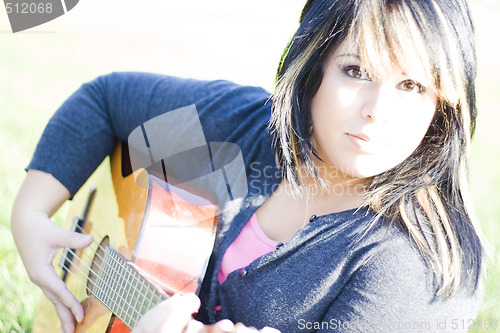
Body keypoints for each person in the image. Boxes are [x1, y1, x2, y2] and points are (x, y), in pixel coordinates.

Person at [11, 0, 489, 332]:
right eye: (356, 71)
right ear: (312, 66)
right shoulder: (245, 131)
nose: (377, 109)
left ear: (443, 103)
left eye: (411, 86)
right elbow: (106, 101)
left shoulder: (416, 267)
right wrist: (30, 215)